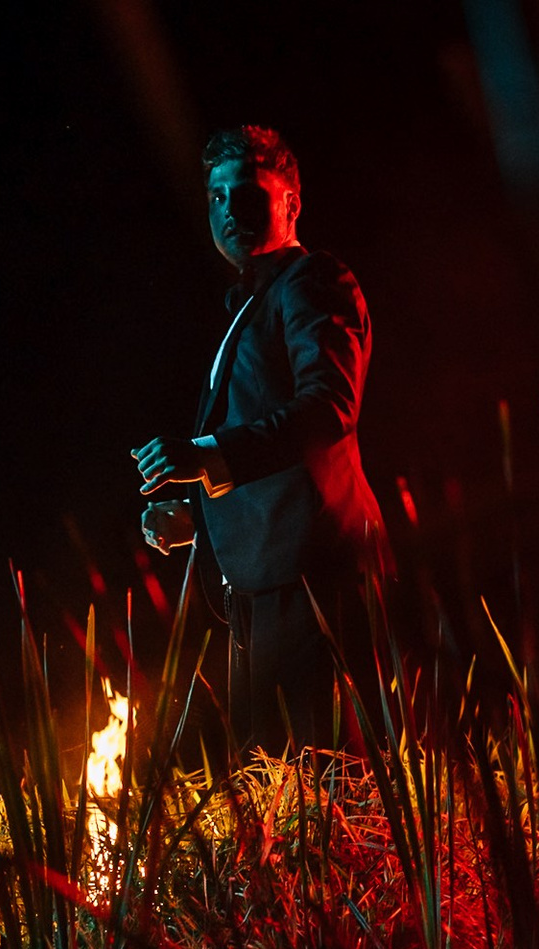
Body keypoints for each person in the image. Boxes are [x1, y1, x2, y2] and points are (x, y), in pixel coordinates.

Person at [134, 125, 385, 755]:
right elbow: (276, 457)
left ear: (291, 203)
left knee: (329, 778)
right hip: (274, 582)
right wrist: (200, 519)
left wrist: (206, 456)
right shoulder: (259, 300)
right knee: (285, 784)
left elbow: (328, 408)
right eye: (217, 197)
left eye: (247, 194)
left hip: (315, 576)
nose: (229, 210)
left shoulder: (312, 280)